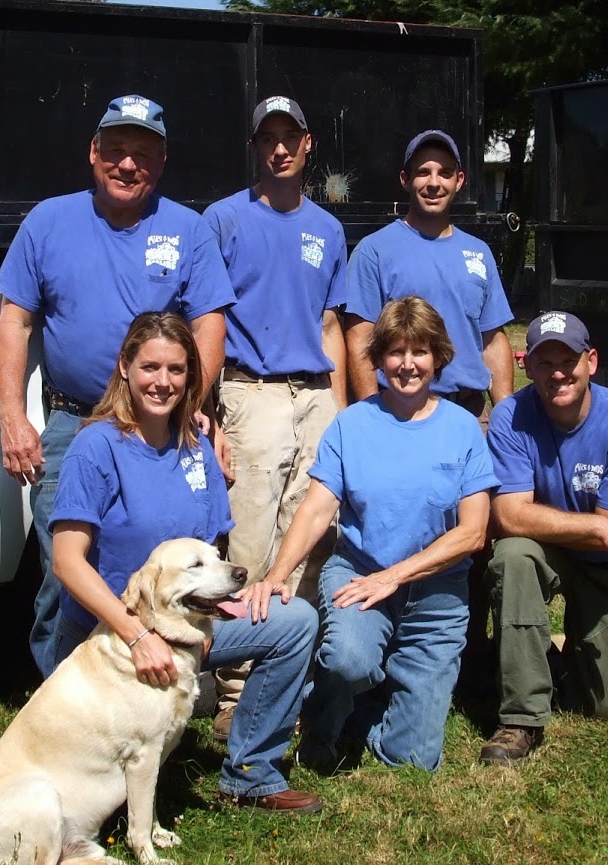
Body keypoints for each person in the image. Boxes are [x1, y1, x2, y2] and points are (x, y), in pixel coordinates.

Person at [0, 313, 321, 814]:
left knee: (295, 624)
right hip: (108, 634)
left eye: (177, 370)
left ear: (191, 376)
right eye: (150, 367)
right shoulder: (95, 447)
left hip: (185, 625)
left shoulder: (196, 447)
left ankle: (251, 775)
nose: (163, 382)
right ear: (125, 367)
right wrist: (138, 636)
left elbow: (205, 554)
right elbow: (67, 564)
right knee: (81, 789)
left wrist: (230, 600)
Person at [0, 94, 235, 677]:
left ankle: (154, 697)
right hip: (73, 425)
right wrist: (12, 416)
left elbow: (210, 325)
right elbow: (14, 322)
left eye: (143, 154)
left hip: (160, 432)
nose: (129, 165)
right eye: (118, 151)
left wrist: (194, 412)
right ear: (93, 154)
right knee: (64, 576)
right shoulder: (47, 221)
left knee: (155, 571)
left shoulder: (188, 229)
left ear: (162, 162)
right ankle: (60, 711)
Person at [243, 297, 498, 772]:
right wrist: (277, 573)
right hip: (361, 576)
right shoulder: (352, 424)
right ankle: (324, 717)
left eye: (420, 352)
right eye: (395, 352)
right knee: (347, 660)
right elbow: (317, 509)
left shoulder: (464, 428)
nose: (407, 364)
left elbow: (473, 533)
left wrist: (396, 577)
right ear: (378, 358)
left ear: (438, 357)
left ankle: (370, 709)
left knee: (415, 759)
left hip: (437, 592)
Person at [202, 95, 348, 739]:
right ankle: (237, 685)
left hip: (315, 394)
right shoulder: (223, 220)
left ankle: (295, 676)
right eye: (269, 138)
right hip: (250, 394)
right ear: (255, 146)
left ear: (308, 144)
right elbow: (202, 317)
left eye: (291, 137)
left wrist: (340, 409)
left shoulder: (329, 229)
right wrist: (206, 409)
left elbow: (330, 321)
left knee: (311, 539)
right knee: (253, 543)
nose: (280, 148)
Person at [343, 129, 515, 653]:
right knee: (402, 525)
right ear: (405, 180)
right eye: (422, 171)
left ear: (461, 182)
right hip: (401, 411)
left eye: (444, 172)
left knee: (474, 534)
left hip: (465, 415)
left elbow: (492, 338)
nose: (433, 181)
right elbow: (359, 337)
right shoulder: (375, 250)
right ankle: (389, 638)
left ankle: (471, 649)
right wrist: (367, 410)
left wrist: (504, 414)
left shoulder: (478, 254)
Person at [479, 310, 608, 765]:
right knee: (514, 556)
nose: (558, 373)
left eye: (568, 360)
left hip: (602, 566)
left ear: (591, 361)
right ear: (526, 365)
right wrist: (597, 525)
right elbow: (509, 517)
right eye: (544, 362)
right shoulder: (510, 416)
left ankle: (557, 662)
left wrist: (605, 529)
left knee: (603, 704)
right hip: (548, 550)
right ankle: (522, 717)